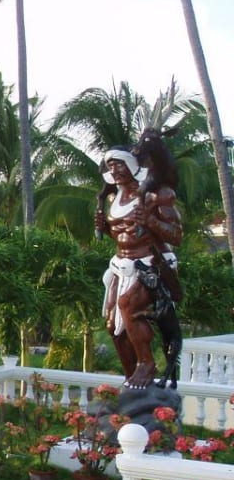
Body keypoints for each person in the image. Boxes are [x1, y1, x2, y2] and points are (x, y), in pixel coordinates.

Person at [94, 147, 183, 389]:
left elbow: (176, 236)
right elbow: (122, 235)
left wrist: (151, 221)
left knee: (127, 305)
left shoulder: (155, 197)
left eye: (120, 164)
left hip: (149, 266)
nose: (115, 170)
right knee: (113, 325)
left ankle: (147, 364)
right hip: (121, 265)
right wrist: (105, 228)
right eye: (111, 166)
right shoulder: (113, 199)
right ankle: (131, 375)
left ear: (133, 165)